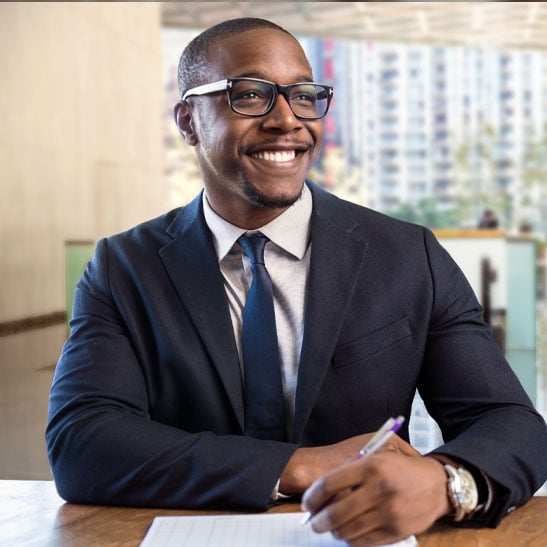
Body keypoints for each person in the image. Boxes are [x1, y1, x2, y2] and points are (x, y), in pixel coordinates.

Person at [46, 17, 547, 546]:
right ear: (189, 121)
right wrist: (298, 466)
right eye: (251, 94)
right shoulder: (124, 266)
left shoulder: (406, 254)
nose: (287, 120)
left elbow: (510, 422)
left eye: (305, 96)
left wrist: (447, 481)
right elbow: (83, 442)